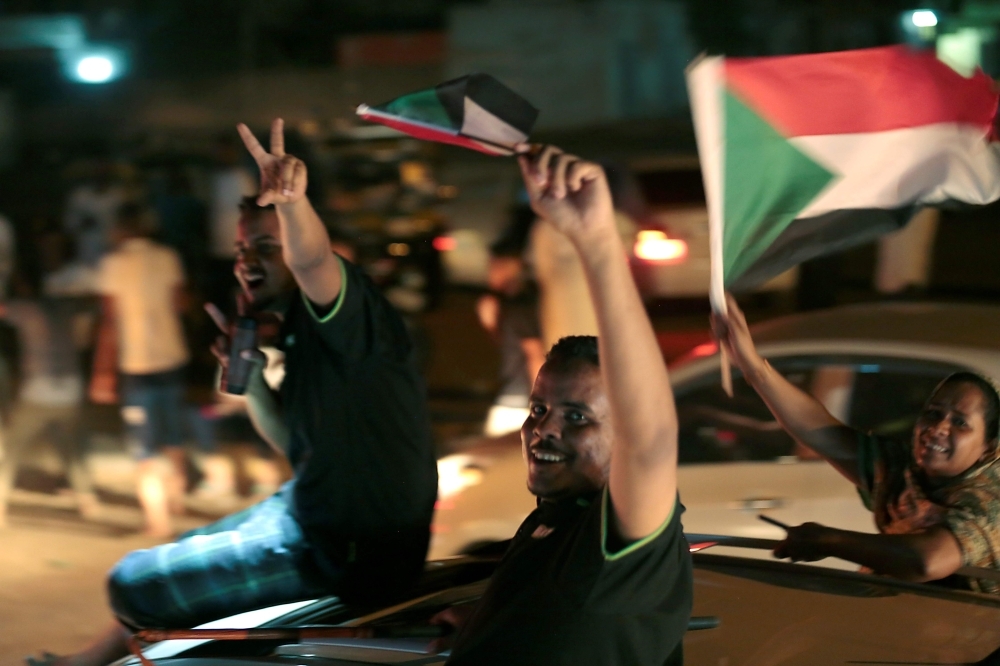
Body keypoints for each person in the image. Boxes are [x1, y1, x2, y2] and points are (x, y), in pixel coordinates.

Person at [30, 119, 438, 666]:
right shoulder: (298, 332)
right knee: (159, 564)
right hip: (308, 511)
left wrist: (293, 205)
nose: (246, 261)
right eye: (242, 247)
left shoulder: (350, 313)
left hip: (346, 553)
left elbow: (313, 259)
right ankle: (87, 659)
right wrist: (253, 382)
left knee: (134, 582)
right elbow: (298, 447)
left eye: (266, 247)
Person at [436, 145, 692, 665]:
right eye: (538, 410)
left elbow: (651, 439)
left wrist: (597, 241)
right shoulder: (551, 519)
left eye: (578, 417)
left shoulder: (622, 543)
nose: (543, 430)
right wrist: (488, 622)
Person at [713, 294, 1000, 593]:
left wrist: (829, 541)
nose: (938, 428)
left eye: (960, 423)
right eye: (933, 413)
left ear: (989, 447)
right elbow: (820, 432)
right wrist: (753, 366)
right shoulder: (905, 469)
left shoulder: (991, 501)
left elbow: (927, 560)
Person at [90, 202, 191, 538]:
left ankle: (158, 521)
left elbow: (110, 321)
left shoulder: (113, 264)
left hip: (136, 361)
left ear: (120, 231)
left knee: (143, 445)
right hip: (172, 355)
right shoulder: (167, 257)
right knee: (173, 432)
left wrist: (103, 372)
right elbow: (181, 303)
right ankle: (176, 499)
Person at [0, 286, 99, 528]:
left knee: (11, 451)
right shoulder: (67, 308)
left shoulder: (25, 309)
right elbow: (95, 305)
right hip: (70, 389)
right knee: (70, 446)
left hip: (39, 389)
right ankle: (88, 501)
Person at [476, 214, 545, 437]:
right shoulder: (504, 303)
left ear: (514, 265)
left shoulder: (520, 305)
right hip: (512, 395)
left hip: (517, 401)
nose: (491, 272)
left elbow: (534, 354)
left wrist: (540, 404)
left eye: (496, 265)